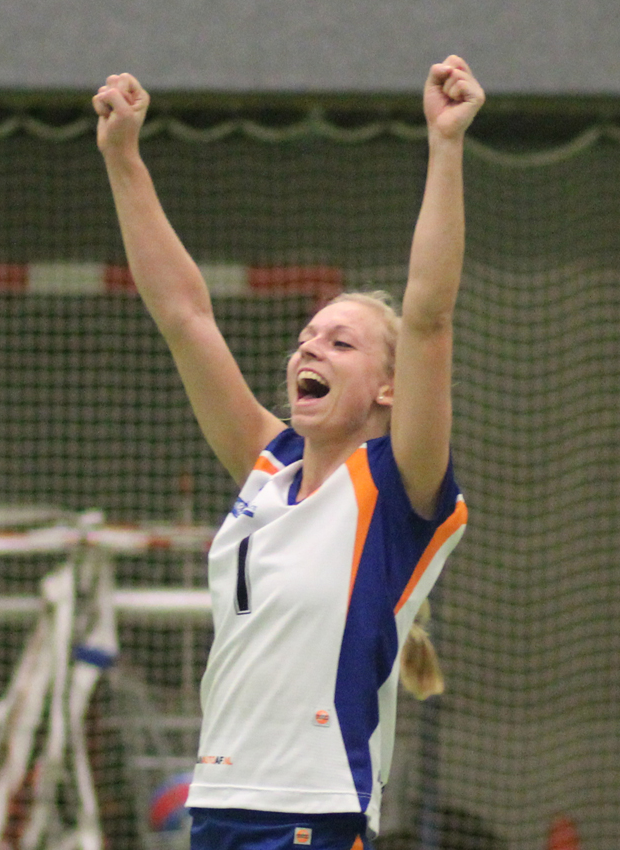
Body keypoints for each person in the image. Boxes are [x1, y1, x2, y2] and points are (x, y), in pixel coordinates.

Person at [93, 55, 483, 848]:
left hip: (312, 814)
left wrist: (445, 148)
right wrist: (123, 157)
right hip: (217, 804)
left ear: (389, 387)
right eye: (307, 336)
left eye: (341, 342)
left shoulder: (396, 489)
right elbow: (185, 315)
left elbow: (429, 316)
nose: (311, 347)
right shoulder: (268, 469)